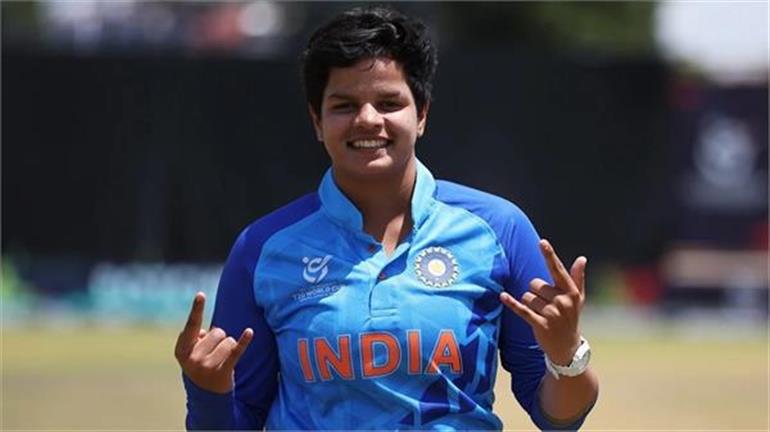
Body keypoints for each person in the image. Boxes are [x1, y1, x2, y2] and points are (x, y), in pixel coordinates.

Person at [175, 6, 598, 430]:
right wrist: (208, 391)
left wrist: (567, 356)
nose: (367, 119)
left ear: (422, 114)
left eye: (388, 103)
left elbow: (559, 419)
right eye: (344, 105)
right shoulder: (262, 249)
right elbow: (236, 420)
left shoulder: (499, 230)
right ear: (317, 121)